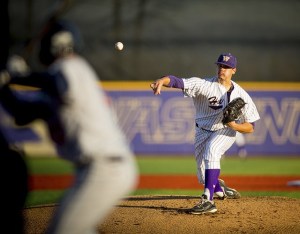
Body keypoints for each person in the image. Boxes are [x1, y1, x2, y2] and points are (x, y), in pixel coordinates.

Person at [0, 20, 138, 233]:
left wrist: (19, 75)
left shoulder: (72, 67)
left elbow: (56, 82)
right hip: (94, 169)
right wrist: (4, 87)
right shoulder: (56, 86)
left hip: (105, 168)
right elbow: (21, 112)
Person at [150, 53, 260, 214]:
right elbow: (176, 81)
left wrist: (234, 125)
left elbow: (251, 127)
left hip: (225, 130)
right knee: (203, 176)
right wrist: (162, 81)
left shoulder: (242, 95)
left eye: (227, 67)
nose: (222, 69)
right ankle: (219, 189)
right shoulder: (204, 85)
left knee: (212, 150)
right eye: (220, 66)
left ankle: (208, 201)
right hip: (202, 130)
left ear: (234, 70)